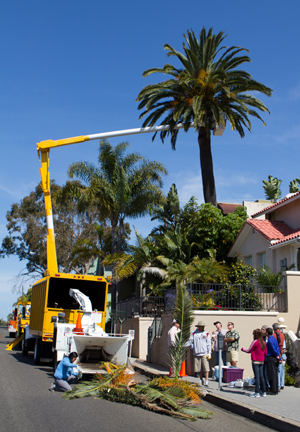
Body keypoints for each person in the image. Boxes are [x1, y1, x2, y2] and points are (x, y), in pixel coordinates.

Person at [241, 329, 267, 398]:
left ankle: (257, 392)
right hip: (262, 361)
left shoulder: (255, 342)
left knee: (257, 376)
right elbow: (265, 352)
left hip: (255, 361)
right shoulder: (263, 342)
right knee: (262, 376)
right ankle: (264, 391)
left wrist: (243, 349)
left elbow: (249, 350)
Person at [189, 321, 211, 386]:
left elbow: (208, 343)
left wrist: (209, 352)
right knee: (198, 368)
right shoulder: (194, 333)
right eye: (201, 326)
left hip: (204, 352)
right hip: (197, 352)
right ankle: (201, 379)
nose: (202, 328)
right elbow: (191, 341)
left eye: (203, 326)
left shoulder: (206, 333)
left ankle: (207, 380)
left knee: (206, 367)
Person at [266, 328, 280, 395]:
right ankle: (274, 388)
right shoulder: (274, 339)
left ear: (267, 333)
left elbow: (273, 348)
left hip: (271, 357)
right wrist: (278, 355)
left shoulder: (270, 340)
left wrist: (276, 354)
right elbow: (277, 348)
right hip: (274, 357)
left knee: (272, 374)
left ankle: (273, 389)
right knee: (274, 374)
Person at [272, 323, 285, 392]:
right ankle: (280, 385)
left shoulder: (274, 335)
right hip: (280, 354)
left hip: (276, 354)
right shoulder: (282, 335)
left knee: (277, 371)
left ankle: (277, 386)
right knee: (280, 371)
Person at [261, 324, 270, 390]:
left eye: (263, 329)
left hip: (267, 356)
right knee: (263, 371)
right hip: (262, 356)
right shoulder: (261, 337)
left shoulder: (268, 338)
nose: (262, 330)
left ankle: (268, 385)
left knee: (266, 371)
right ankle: (264, 385)